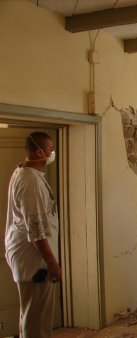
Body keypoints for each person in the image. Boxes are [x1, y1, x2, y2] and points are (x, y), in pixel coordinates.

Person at [5, 132, 61, 338]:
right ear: (38, 151)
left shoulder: (23, 174)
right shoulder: (31, 183)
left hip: (27, 257)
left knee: (30, 314)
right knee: (37, 319)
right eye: (50, 149)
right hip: (34, 261)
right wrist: (51, 262)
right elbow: (36, 230)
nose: (52, 153)